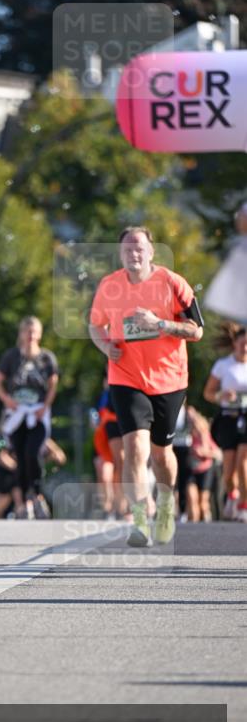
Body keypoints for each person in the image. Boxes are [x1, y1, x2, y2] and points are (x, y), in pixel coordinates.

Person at [89, 226, 204, 547]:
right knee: (135, 448)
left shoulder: (172, 283)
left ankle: (165, 505)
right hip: (126, 377)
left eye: (139, 248)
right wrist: (105, 346)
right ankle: (140, 520)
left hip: (169, 379)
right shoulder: (109, 286)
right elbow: (95, 325)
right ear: (120, 254)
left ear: (152, 252)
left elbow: (197, 331)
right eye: (127, 249)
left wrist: (160, 324)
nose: (133, 254)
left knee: (161, 454)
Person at [0, 316, 58, 519]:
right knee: (19, 456)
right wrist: (7, 400)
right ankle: (25, 502)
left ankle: (37, 495)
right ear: (21, 334)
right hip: (16, 415)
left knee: (33, 452)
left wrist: (45, 406)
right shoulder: (12, 357)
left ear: (40, 334)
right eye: (27, 331)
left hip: (37, 415)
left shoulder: (46, 358)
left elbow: (53, 384)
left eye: (34, 331)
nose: (31, 336)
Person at [203, 325, 247, 522]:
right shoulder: (223, 365)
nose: (245, 348)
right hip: (228, 418)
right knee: (228, 472)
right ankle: (232, 494)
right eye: (242, 343)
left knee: (243, 462)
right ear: (234, 343)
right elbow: (208, 393)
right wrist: (221, 395)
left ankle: (244, 505)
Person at [185, 407, 221, 522]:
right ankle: (193, 524)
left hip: (205, 470)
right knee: (192, 498)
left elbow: (218, 454)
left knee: (203, 502)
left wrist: (204, 452)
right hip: (191, 470)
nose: (194, 426)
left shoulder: (206, 436)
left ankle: (206, 524)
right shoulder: (187, 435)